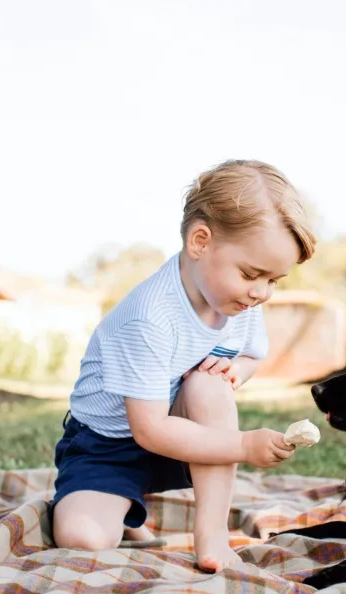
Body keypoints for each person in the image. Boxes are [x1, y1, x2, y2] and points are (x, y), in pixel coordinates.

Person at [50, 159, 316, 572]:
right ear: (200, 241)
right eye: (252, 274)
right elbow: (149, 429)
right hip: (109, 444)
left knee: (209, 387)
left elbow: (249, 355)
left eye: (274, 280)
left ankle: (211, 536)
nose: (262, 292)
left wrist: (235, 372)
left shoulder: (239, 300)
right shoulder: (150, 317)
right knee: (84, 539)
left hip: (182, 433)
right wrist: (244, 445)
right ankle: (118, 506)